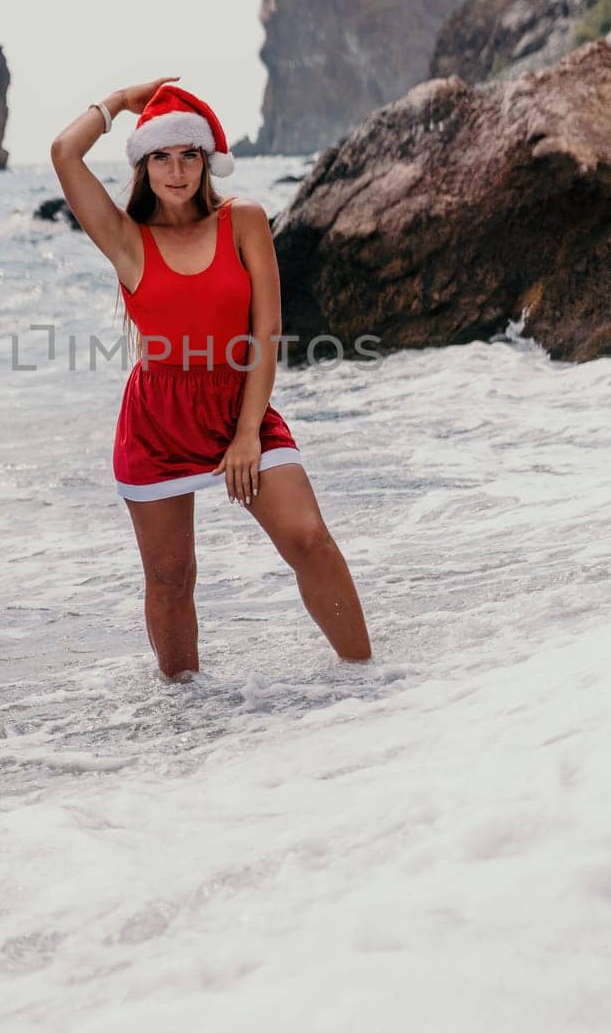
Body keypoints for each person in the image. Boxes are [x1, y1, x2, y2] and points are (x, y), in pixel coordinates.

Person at [50, 76, 372, 682]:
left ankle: (370, 681)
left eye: (189, 155)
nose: (177, 171)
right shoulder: (127, 239)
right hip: (157, 422)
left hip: (239, 403)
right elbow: (64, 153)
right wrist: (119, 102)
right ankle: (188, 720)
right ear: (145, 165)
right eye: (163, 157)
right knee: (172, 579)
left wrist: (248, 431)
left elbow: (267, 328)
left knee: (309, 539)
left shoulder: (243, 220)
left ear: (206, 160)